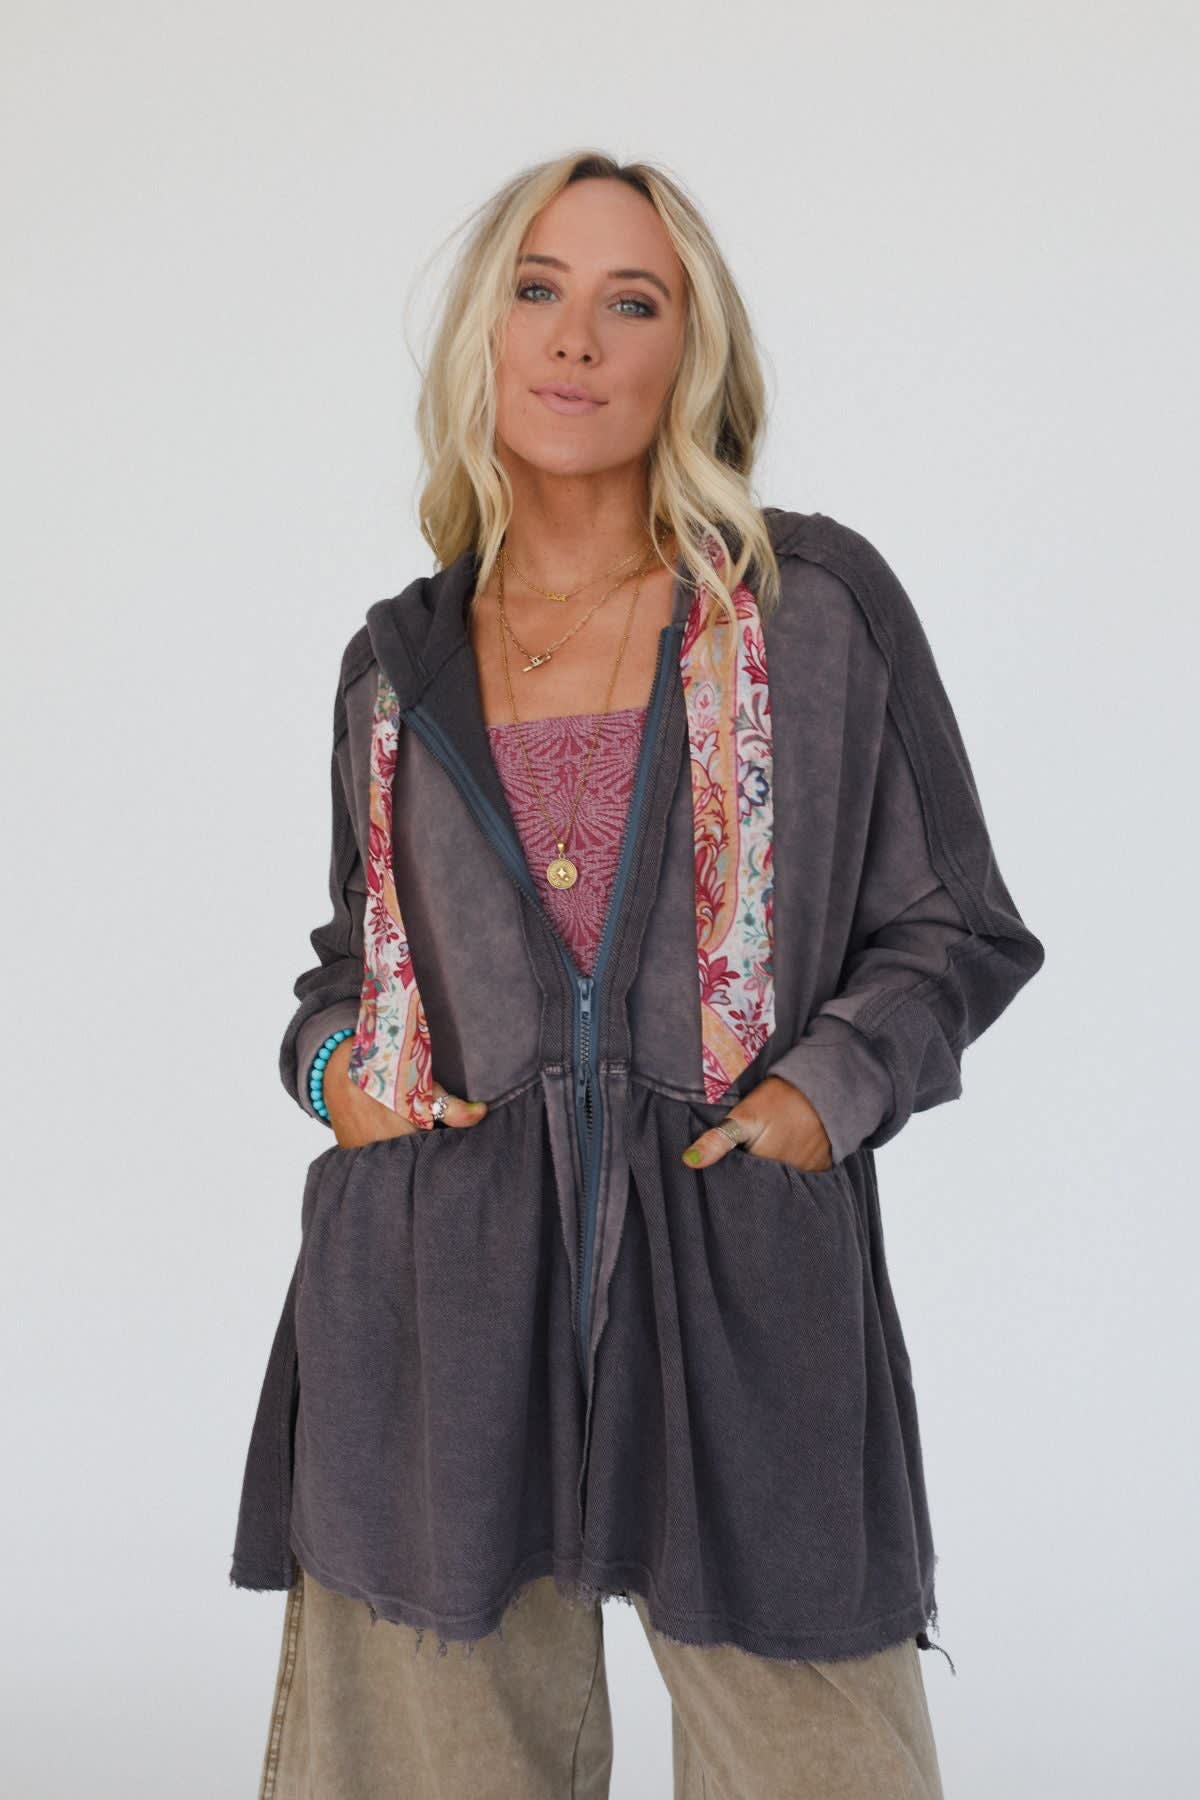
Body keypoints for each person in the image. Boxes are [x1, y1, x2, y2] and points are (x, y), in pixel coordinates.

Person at [230, 148, 1045, 1799]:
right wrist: (338, 1080)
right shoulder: (394, 666)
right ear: (483, 332)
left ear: (694, 352)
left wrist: (818, 1100)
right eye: (538, 290)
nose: (576, 338)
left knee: (823, 1762)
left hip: (739, 1284)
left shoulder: (811, 610)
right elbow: (350, 969)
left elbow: (956, 926)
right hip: (442, 1307)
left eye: (633, 301)